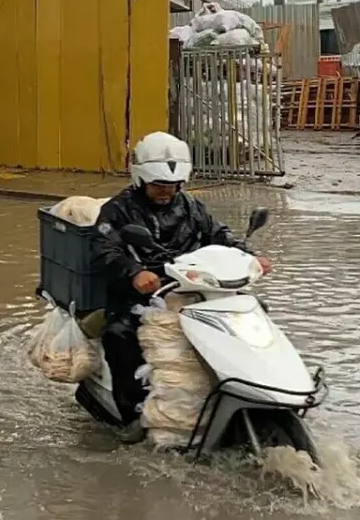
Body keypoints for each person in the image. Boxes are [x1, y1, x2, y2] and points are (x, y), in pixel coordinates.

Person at [89, 131, 271, 443]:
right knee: (119, 334)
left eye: (172, 186)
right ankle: (132, 414)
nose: (166, 192)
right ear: (141, 179)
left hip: (192, 289)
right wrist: (134, 272)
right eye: (159, 185)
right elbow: (104, 249)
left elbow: (219, 235)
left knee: (255, 315)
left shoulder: (190, 206)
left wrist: (249, 256)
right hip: (141, 294)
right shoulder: (117, 210)